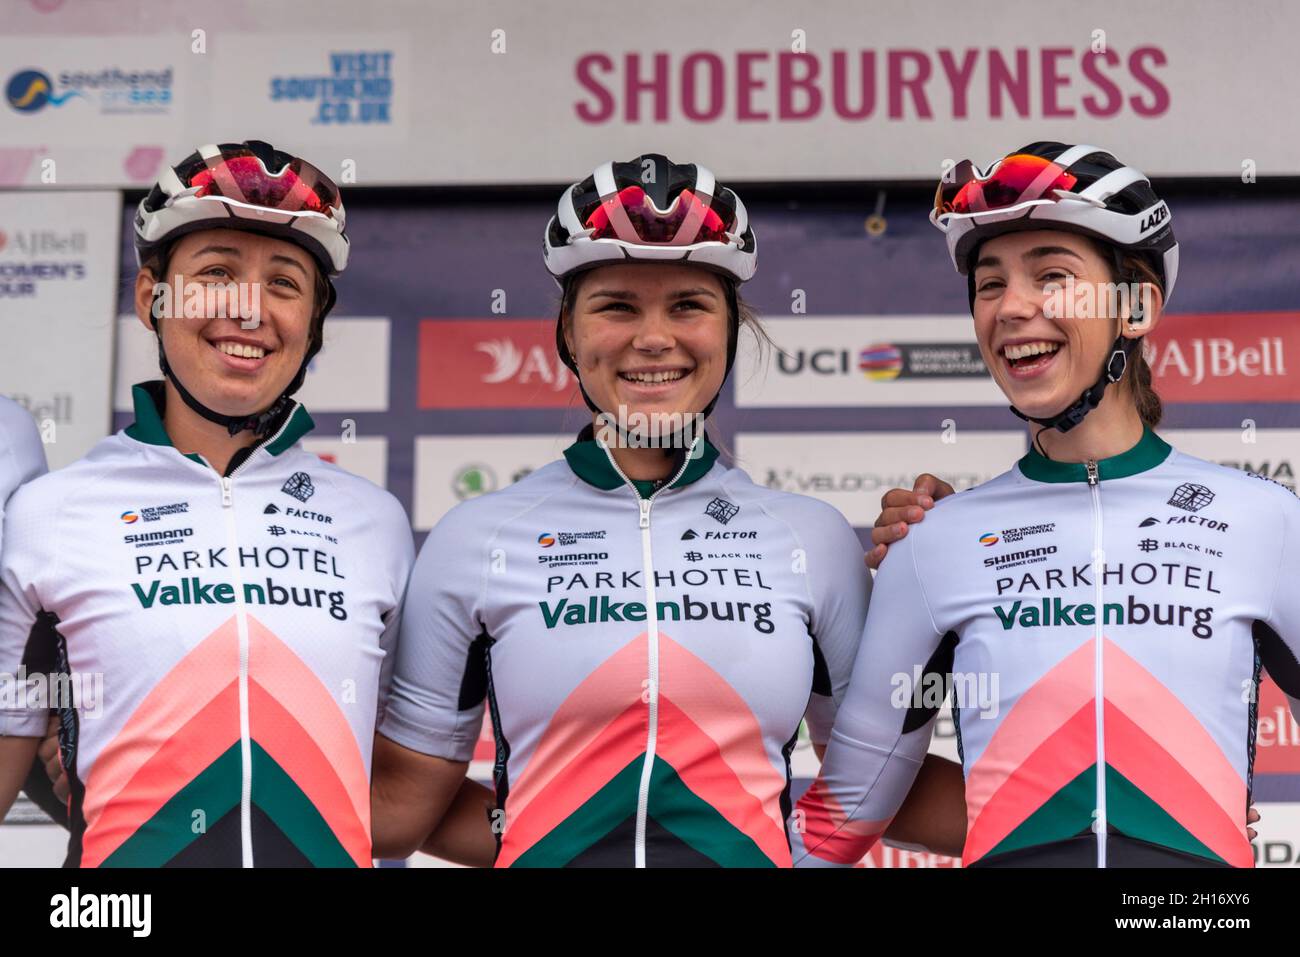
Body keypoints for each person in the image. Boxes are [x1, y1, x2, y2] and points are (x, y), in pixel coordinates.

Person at [371, 153, 964, 867]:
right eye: (617, 305)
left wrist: (935, 587)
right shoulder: (476, 537)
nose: (654, 338)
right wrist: (542, 831)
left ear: (730, 330)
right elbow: (409, 806)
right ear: (568, 332)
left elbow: (879, 780)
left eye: (688, 304)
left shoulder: (811, 538)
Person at [792, 142, 1300, 868]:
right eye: (989, 283)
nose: (1012, 307)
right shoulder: (935, 543)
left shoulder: (1266, 521)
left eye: (1052, 275)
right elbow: (846, 812)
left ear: (1136, 305)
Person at [0, 140, 417, 867]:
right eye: (217, 272)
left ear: (313, 323)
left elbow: (415, 779)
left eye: (284, 283)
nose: (247, 309)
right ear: (150, 298)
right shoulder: (48, 514)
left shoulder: (375, 523)